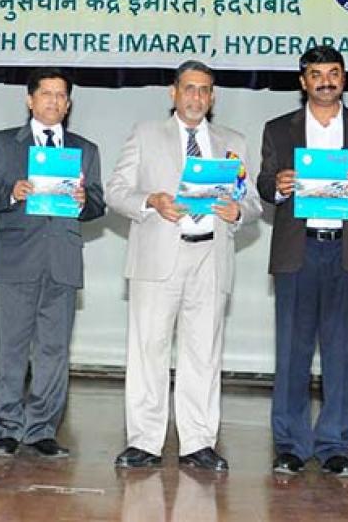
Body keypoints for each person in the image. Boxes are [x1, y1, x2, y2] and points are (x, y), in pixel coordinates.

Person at [106, 60, 262, 472]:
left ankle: (198, 443)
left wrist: (238, 211)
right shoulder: (145, 134)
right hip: (158, 257)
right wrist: (151, 201)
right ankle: (144, 441)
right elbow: (116, 192)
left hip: (212, 256)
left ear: (213, 98)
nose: (196, 97)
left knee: (203, 354)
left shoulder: (234, 142)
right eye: (189, 88)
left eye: (205, 90)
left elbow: (253, 202)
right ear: (173, 93)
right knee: (148, 351)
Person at [256, 45, 348, 478]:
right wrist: (278, 186)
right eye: (316, 74)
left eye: (334, 73)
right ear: (303, 82)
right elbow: (263, 183)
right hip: (299, 251)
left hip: (347, 249)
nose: (326, 81)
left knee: (341, 353)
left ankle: (335, 445)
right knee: (292, 352)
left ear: (344, 78)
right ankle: (291, 445)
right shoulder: (279, 129)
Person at [0, 68, 106, 458]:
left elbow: (98, 204)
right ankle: (6, 427)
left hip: (61, 260)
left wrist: (85, 203)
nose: (53, 102)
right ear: (30, 100)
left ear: (69, 103)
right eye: (46, 94)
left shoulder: (85, 149)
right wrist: (10, 192)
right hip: (16, 259)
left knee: (54, 351)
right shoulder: (3, 143)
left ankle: (42, 429)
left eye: (61, 96)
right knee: (12, 349)